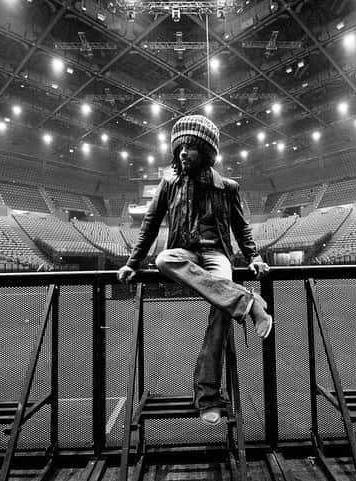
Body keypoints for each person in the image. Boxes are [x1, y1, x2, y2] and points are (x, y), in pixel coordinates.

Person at [117, 114, 273, 426]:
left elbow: (242, 229)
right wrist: (132, 263)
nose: (183, 153)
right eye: (179, 148)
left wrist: (253, 257)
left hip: (216, 253)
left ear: (206, 152)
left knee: (221, 309)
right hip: (184, 252)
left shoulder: (227, 188)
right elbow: (149, 227)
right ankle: (248, 303)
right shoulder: (169, 184)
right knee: (163, 260)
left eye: (190, 147)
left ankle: (208, 397)